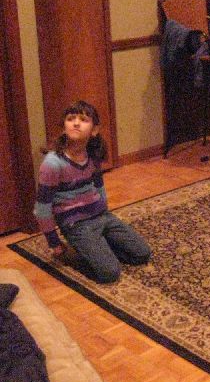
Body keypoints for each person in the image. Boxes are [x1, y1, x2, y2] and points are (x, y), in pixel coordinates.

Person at [33, 101, 151, 283]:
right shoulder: (53, 163)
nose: (76, 123)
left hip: (101, 216)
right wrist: (54, 243)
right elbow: (42, 209)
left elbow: (99, 186)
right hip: (76, 224)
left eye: (83, 119)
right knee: (110, 273)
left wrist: (105, 212)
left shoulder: (93, 154)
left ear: (94, 130)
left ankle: (99, 247)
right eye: (71, 119)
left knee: (142, 254)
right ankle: (77, 253)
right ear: (64, 127)